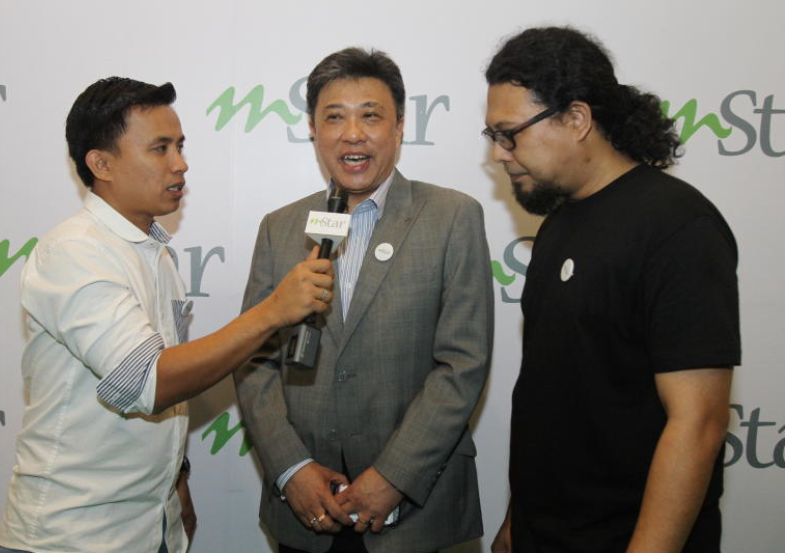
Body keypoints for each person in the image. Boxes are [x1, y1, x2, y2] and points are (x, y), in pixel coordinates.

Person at [0, 77, 334, 553]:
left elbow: (163, 390)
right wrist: (272, 312)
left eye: (179, 145)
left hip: (152, 527)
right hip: (71, 537)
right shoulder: (74, 252)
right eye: (160, 149)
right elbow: (148, 383)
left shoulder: (153, 252)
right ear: (101, 164)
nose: (180, 163)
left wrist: (177, 481)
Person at [484, 27, 740, 553]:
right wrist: (517, 518)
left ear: (576, 119)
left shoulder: (678, 226)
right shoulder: (557, 225)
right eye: (492, 136)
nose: (499, 154)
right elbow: (549, 395)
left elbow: (698, 422)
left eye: (509, 134)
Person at [234, 48, 493, 553]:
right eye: (335, 117)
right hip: (306, 512)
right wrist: (292, 469)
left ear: (400, 126)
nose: (352, 134)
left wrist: (393, 476)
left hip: (414, 513)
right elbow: (253, 361)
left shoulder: (452, 217)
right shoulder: (278, 228)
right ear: (313, 129)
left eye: (370, 116)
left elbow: (463, 364)